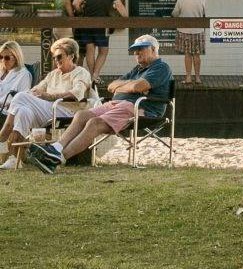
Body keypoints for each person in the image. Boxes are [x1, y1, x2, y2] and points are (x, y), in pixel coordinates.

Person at [34, 34, 174, 170]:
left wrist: (130, 87)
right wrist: (130, 85)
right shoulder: (137, 70)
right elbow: (111, 86)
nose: (136, 53)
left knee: (94, 123)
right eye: (135, 50)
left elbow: (137, 87)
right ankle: (56, 148)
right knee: (82, 115)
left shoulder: (161, 67)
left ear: (153, 49)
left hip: (140, 109)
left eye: (141, 49)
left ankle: (58, 158)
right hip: (116, 104)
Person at [0, 36, 92, 170]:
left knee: (20, 96)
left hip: (68, 111)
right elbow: (36, 89)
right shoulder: (53, 74)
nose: (56, 60)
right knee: (22, 111)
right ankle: (14, 158)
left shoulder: (81, 72)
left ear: (71, 56)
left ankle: (2, 138)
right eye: (54, 57)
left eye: (59, 56)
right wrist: (34, 94)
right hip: (50, 111)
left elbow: (77, 93)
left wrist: (49, 96)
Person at [73, 0, 127, 79]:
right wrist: (127, 19)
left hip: (87, 24)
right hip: (103, 25)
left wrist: (80, 11)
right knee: (103, 51)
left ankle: (92, 76)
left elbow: (75, 3)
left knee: (90, 50)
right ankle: (95, 75)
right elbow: (119, 6)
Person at [170, 0, 209, 87]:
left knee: (187, 54)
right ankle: (198, 78)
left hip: (184, 30)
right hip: (198, 30)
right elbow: (206, 13)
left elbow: (175, 13)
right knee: (197, 55)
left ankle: (188, 77)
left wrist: (173, 15)